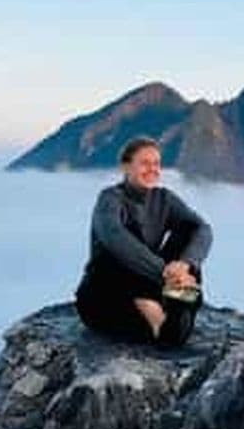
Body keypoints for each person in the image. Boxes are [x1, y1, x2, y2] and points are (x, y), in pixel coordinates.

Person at [75, 136, 213, 347]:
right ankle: (164, 305)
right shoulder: (109, 198)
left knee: (188, 229)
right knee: (117, 247)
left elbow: (203, 228)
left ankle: (168, 309)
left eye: (157, 164)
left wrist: (185, 264)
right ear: (126, 167)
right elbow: (115, 237)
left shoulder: (164, 198)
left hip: (151, 282)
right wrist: (164, 273)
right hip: (105, 294)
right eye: (144, 163)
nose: (153, 169)